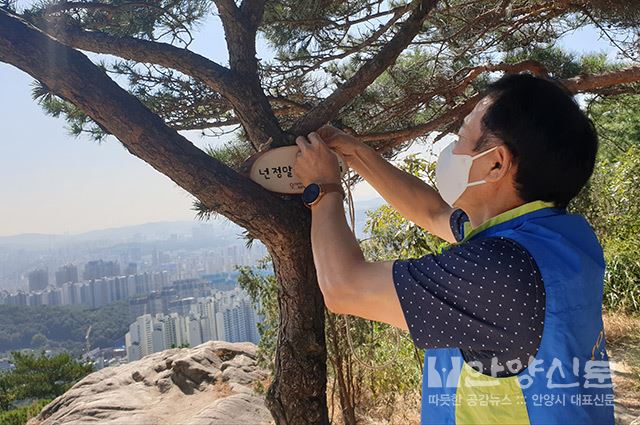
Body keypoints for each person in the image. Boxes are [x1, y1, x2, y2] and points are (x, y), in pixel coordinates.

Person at [293, 73, 614, 424]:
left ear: (496, 163)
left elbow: (344, 288)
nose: (452, 149)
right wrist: (356, 153)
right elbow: (433, 213)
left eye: (462, 138)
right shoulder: (553, 239)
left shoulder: (501, 273)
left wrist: (322, 188)